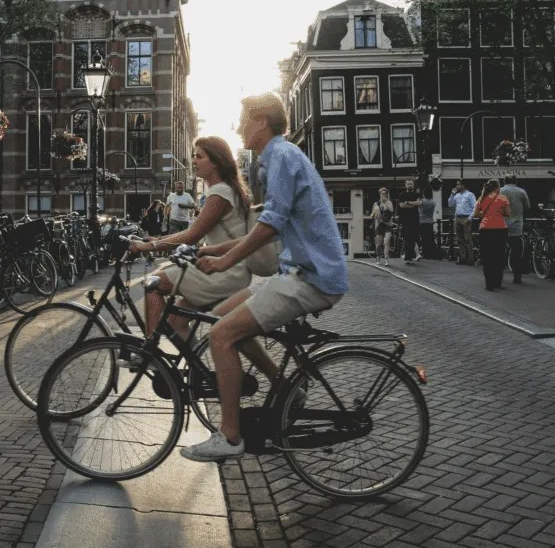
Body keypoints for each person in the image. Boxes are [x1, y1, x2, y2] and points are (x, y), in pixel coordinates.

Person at [186, 92, 349, 461]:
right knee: (221, 315)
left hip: (312, 278)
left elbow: (271, 224)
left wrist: (227, 261)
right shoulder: (278, 156)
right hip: (299, 271)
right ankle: (287, 386)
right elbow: (271, 222)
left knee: (220, 334)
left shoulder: (279, 157)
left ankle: (230, 437)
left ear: (261, 122)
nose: (240, 125)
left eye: (244, 118)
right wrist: (216, 251)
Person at [129, 138, 253, 338]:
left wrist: (149, 246)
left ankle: (150, 354)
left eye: (199, 156)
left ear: (214, 161)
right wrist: (155, 239)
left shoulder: (220, 192)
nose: (193, 161)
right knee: (177, 321)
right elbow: (191, 233)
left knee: (153, 282)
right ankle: (195, 370)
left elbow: (192, 234)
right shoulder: (229, 189)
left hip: (224, 271)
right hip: (230, 269)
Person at [472, 179, 512, 291]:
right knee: (499, 256)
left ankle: (489, 284)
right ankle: (497, 282)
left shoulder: (482, 198)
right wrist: (498, 212)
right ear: (497, 187)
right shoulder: (502, 198)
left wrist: (486, 214)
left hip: (485, 229)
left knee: (487, 256)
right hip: (500, 229)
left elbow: (475, 214)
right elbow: (508, 213)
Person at [500, 175, 531, 284]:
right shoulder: (521, 192)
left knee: (500, 249)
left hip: (501, 224)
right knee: (516, 251)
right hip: (517, 225)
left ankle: (499, 274)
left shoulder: (500, 191)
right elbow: (528, 206)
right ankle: (517, 275)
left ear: (504, 181)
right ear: (515, 181)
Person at [448, 180, 477, 265]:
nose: (457, 186)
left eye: (458, 185)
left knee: (467, 239)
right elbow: (450, 204)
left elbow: (475, 207)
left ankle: (471, 259)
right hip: (457, 217)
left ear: (463, 186)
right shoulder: (456, 195)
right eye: (456, 185)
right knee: (460, 239)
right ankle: (463, 258)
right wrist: (452, 194)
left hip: (465, 217)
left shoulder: (470, 195)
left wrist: (470, 218)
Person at [397, 179, 422, 265]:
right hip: (405, 219)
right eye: (408, 184)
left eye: (411, 184)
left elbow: (419, 203)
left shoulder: (417, 194)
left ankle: (409, 258)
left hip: (414, 219)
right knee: (407, 238)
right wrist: (413, 204)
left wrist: (408, 202)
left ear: (413, 185)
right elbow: (401, 205)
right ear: (405, 185)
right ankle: (409, 259)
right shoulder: (402, 195)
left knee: (413, 238)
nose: (409, 185)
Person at [371, 187, 395, 266]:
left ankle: (386, 259)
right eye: (382, 194)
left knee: (387, 241)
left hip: (388, 225)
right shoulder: (376, 203)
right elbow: (372, 214)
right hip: (379, 225)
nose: (384, 195)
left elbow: (391, 211)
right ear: (380, 194)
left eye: (385, 194)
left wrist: (386, 203)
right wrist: (374, 215)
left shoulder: (389, 203)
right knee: (378, 243)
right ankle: (378, 257)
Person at [419, 188, 438, 259]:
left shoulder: (422, 201)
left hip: (422, 221)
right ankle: (430, 254)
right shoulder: (433, 202)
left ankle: (425, 253)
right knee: (430, 238)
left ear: (424, 194)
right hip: (430, 222)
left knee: (423, 238)